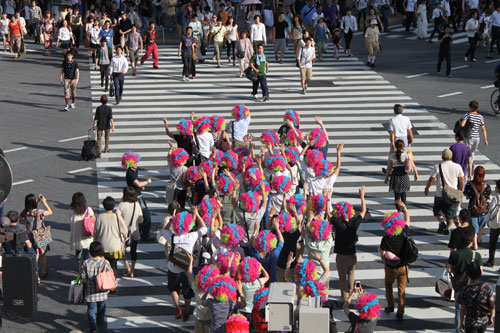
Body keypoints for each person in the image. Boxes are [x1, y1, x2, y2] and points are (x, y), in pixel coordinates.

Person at [162, 208, 208, 321]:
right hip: (187, 268)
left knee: (174, 288)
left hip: (173, 267)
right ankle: (187, 309)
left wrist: (171, 221)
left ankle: (177, 307)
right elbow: (204, 229)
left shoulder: (172, 237)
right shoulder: (191, 237)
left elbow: (163, 231)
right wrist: (197, 214)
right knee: (187, 291)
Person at [332, 186, 366, 301]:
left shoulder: (338, 223)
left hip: (341, 255)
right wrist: (362, 197)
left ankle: (345, 297)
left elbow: (328, 213)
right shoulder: (354, 223)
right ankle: (351, 293)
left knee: (342, 278)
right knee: (351, 274)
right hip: (352, 254)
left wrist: (327, 198)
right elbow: (363, 211)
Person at [379, 200, 410, 320]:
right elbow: (408, 221)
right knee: (402, 290)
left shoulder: (386, 239)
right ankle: (401, 311)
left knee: (388, 285)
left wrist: (384, 261)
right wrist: (404, 208)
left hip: (391, 267)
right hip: (404, 266)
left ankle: (390, 305)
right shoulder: (404, 233)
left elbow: (382, 253)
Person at [447, 228, 482, 332]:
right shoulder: (476, 255)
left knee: (458, 308)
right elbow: (480, 271)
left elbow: (449, 268)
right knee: (473, 307)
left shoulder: (455, 254)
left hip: (459, 284)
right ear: (471, 242)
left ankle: (459, 329)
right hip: (473, 285)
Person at [424, 148, 465, 235]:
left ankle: (441, 222)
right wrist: (461, 189)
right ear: (452, 157)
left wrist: (427, 187)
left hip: (440, 194)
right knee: (450, 213)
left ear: (442, 157)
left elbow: (431, 179)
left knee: (437, 210)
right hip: (452, 194)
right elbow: (462, 179)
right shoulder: (457, 167)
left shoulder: (437, 167)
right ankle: (448, 228)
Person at [81, 241, 113, 333]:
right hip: (102, 290)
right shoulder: (105, 262)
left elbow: (83, 276)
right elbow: (110, 273)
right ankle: (100, 323)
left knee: (91, 310)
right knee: (101, 308)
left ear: (90, 252)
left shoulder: (86, 263)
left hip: (90, 292)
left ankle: (93, 328)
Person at [21, 193, 53, 281]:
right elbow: (50, 212)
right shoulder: (39, 212)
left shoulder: (25, 212)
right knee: (42, 254)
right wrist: (44, 202)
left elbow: (32, 209)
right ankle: (43, 271)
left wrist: (37, 201)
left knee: (34, 254)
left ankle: (35, 274)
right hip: (40, 234)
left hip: (29, 234)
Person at [123, 152, 153, 242]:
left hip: (137, 194)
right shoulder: (130, 173)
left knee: (141, 215)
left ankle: (141, 232)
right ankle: (144, 235)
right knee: (146, 216)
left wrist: (140, 186)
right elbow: (138, 183)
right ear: (130, 163)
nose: (137, 164)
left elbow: (137, 183)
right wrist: (147, 182)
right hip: (136, 197)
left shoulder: (135, 170)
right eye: (135, 163)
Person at [93, 196, 127, 275]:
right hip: (115, 247)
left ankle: (104, 281)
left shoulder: (100, 217)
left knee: (104, 265)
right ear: (113, 206)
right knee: (113, 265)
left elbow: (96, 232)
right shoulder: (117, 216)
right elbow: (124, 231)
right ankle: (112, 281)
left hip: (103, 246)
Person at [458, 262, 495, 333]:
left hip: (470, 323)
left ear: (467, 274)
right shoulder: (487, 287)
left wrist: (461, 322)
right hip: (483, 321)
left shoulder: (464, 290)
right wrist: (491, 318)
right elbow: (492, 306)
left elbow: (463, 309)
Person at [116, 186, 144, 278]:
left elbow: (117, 218)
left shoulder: (121, 205)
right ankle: (132, 271)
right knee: (133, 251)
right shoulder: (137, 205)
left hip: (123, 232)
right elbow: (141, 220)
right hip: (134, 232)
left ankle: (127, 266)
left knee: (123, 250)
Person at [385, 139, 418, 210]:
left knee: (397, 196)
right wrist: (416, 173)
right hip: (404, 176)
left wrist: (386, 177)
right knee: (403, 194)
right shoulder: (407, 155)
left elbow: (389, 168)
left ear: (396, 147)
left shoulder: (392, 156)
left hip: (395, 177)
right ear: (403, 146)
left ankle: (399, 211)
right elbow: (413, 165)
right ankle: (404, 210)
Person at [464, 166, 491, 244]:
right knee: (481, 225)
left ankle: (475, 244)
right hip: (484, 209)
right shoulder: (486, 185)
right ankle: (480, 238)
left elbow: (467, 196)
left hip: (473, 209)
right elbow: (489, 197)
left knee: (473, 227)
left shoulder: (469, 184)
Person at [69, 192, 94, 266]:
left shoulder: (71, 211)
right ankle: (86, 268)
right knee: (86, 253)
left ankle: (81, 266)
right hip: (87, 234)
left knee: (78, 252)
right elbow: (93, 219)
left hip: (76, 235)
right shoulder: (88, 210)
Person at [485, 179, 500, 267]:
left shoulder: (496, 198)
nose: (495, 187)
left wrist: (488, 221)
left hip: (496, 223)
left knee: (493, 243)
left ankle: (491, 261)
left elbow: (491, 211)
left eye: (497, 186)